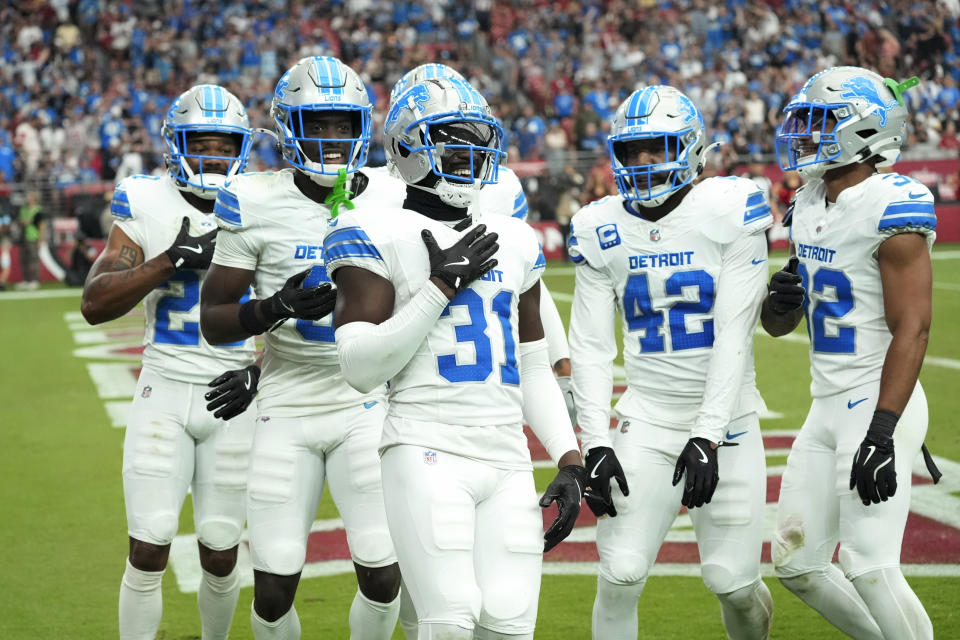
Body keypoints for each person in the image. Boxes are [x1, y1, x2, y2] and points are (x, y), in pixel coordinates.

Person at [327, 77, 585, 640]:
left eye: (477, 142)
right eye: (451, 141)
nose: (469, 156)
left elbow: (532, 363)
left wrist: (568, 458)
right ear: (406, 148)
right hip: (425, 446)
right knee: (449, 620)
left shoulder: (514, 238)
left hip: (508, 456)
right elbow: (360, 367)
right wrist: (441, 285)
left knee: (509, 626)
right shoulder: (374, 229)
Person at [199, 56, 406, 640]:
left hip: (367, 400)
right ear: (288, 126)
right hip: (287, 400)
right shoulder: (254, 200)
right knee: (272, 588)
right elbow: (214, 320)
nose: (333, 137)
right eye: (318, 122)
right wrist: (274, 309)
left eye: (344, 123)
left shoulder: (396, 196)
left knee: (383, 573)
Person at [568, 85, 774, 640]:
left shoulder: (729, 207)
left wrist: (708, 434)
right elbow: (589, 346)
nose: (642, 162)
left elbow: (734, 329)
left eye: (656, 147)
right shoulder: (599, 225)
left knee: (731, 581)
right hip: (648, 418)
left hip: (727, 420)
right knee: (621, 572)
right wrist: (596, 443)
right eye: (631, 150)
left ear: (690, 147)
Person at [80, 84, 260, 640]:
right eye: (197, 143)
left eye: (221, 144)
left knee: (223, 548)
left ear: (241, 149)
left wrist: (262, 371)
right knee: (150, 540)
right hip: (165, 384)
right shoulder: (147, 200)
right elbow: (95, 301)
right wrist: (166, 261)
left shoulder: (263, 202)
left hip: (235, 393)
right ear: (173, 146)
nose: (209, 155)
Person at [764, 66, 937, 640]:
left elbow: (913, 328)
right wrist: (781, 300)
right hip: (825, 401)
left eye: (821, 122)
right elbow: (780, 324)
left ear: (863, 130)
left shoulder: (892, 204)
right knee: (796, 563)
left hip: (875, 398)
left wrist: (882, 432)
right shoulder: (809, 201)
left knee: (868, 562)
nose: (806, 134)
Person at [17, 190, 44, 290]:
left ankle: (34, 280)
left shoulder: (38, 210)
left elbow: (42, 226)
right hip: (23, 237)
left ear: (34, 198)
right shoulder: (24, 209)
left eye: (29, 195)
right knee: (23, 259)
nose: (27, 197)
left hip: (33, 237)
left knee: (33, 260)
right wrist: (23, 221)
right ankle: (26, 280)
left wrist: (41, 240)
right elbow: (20, 221)